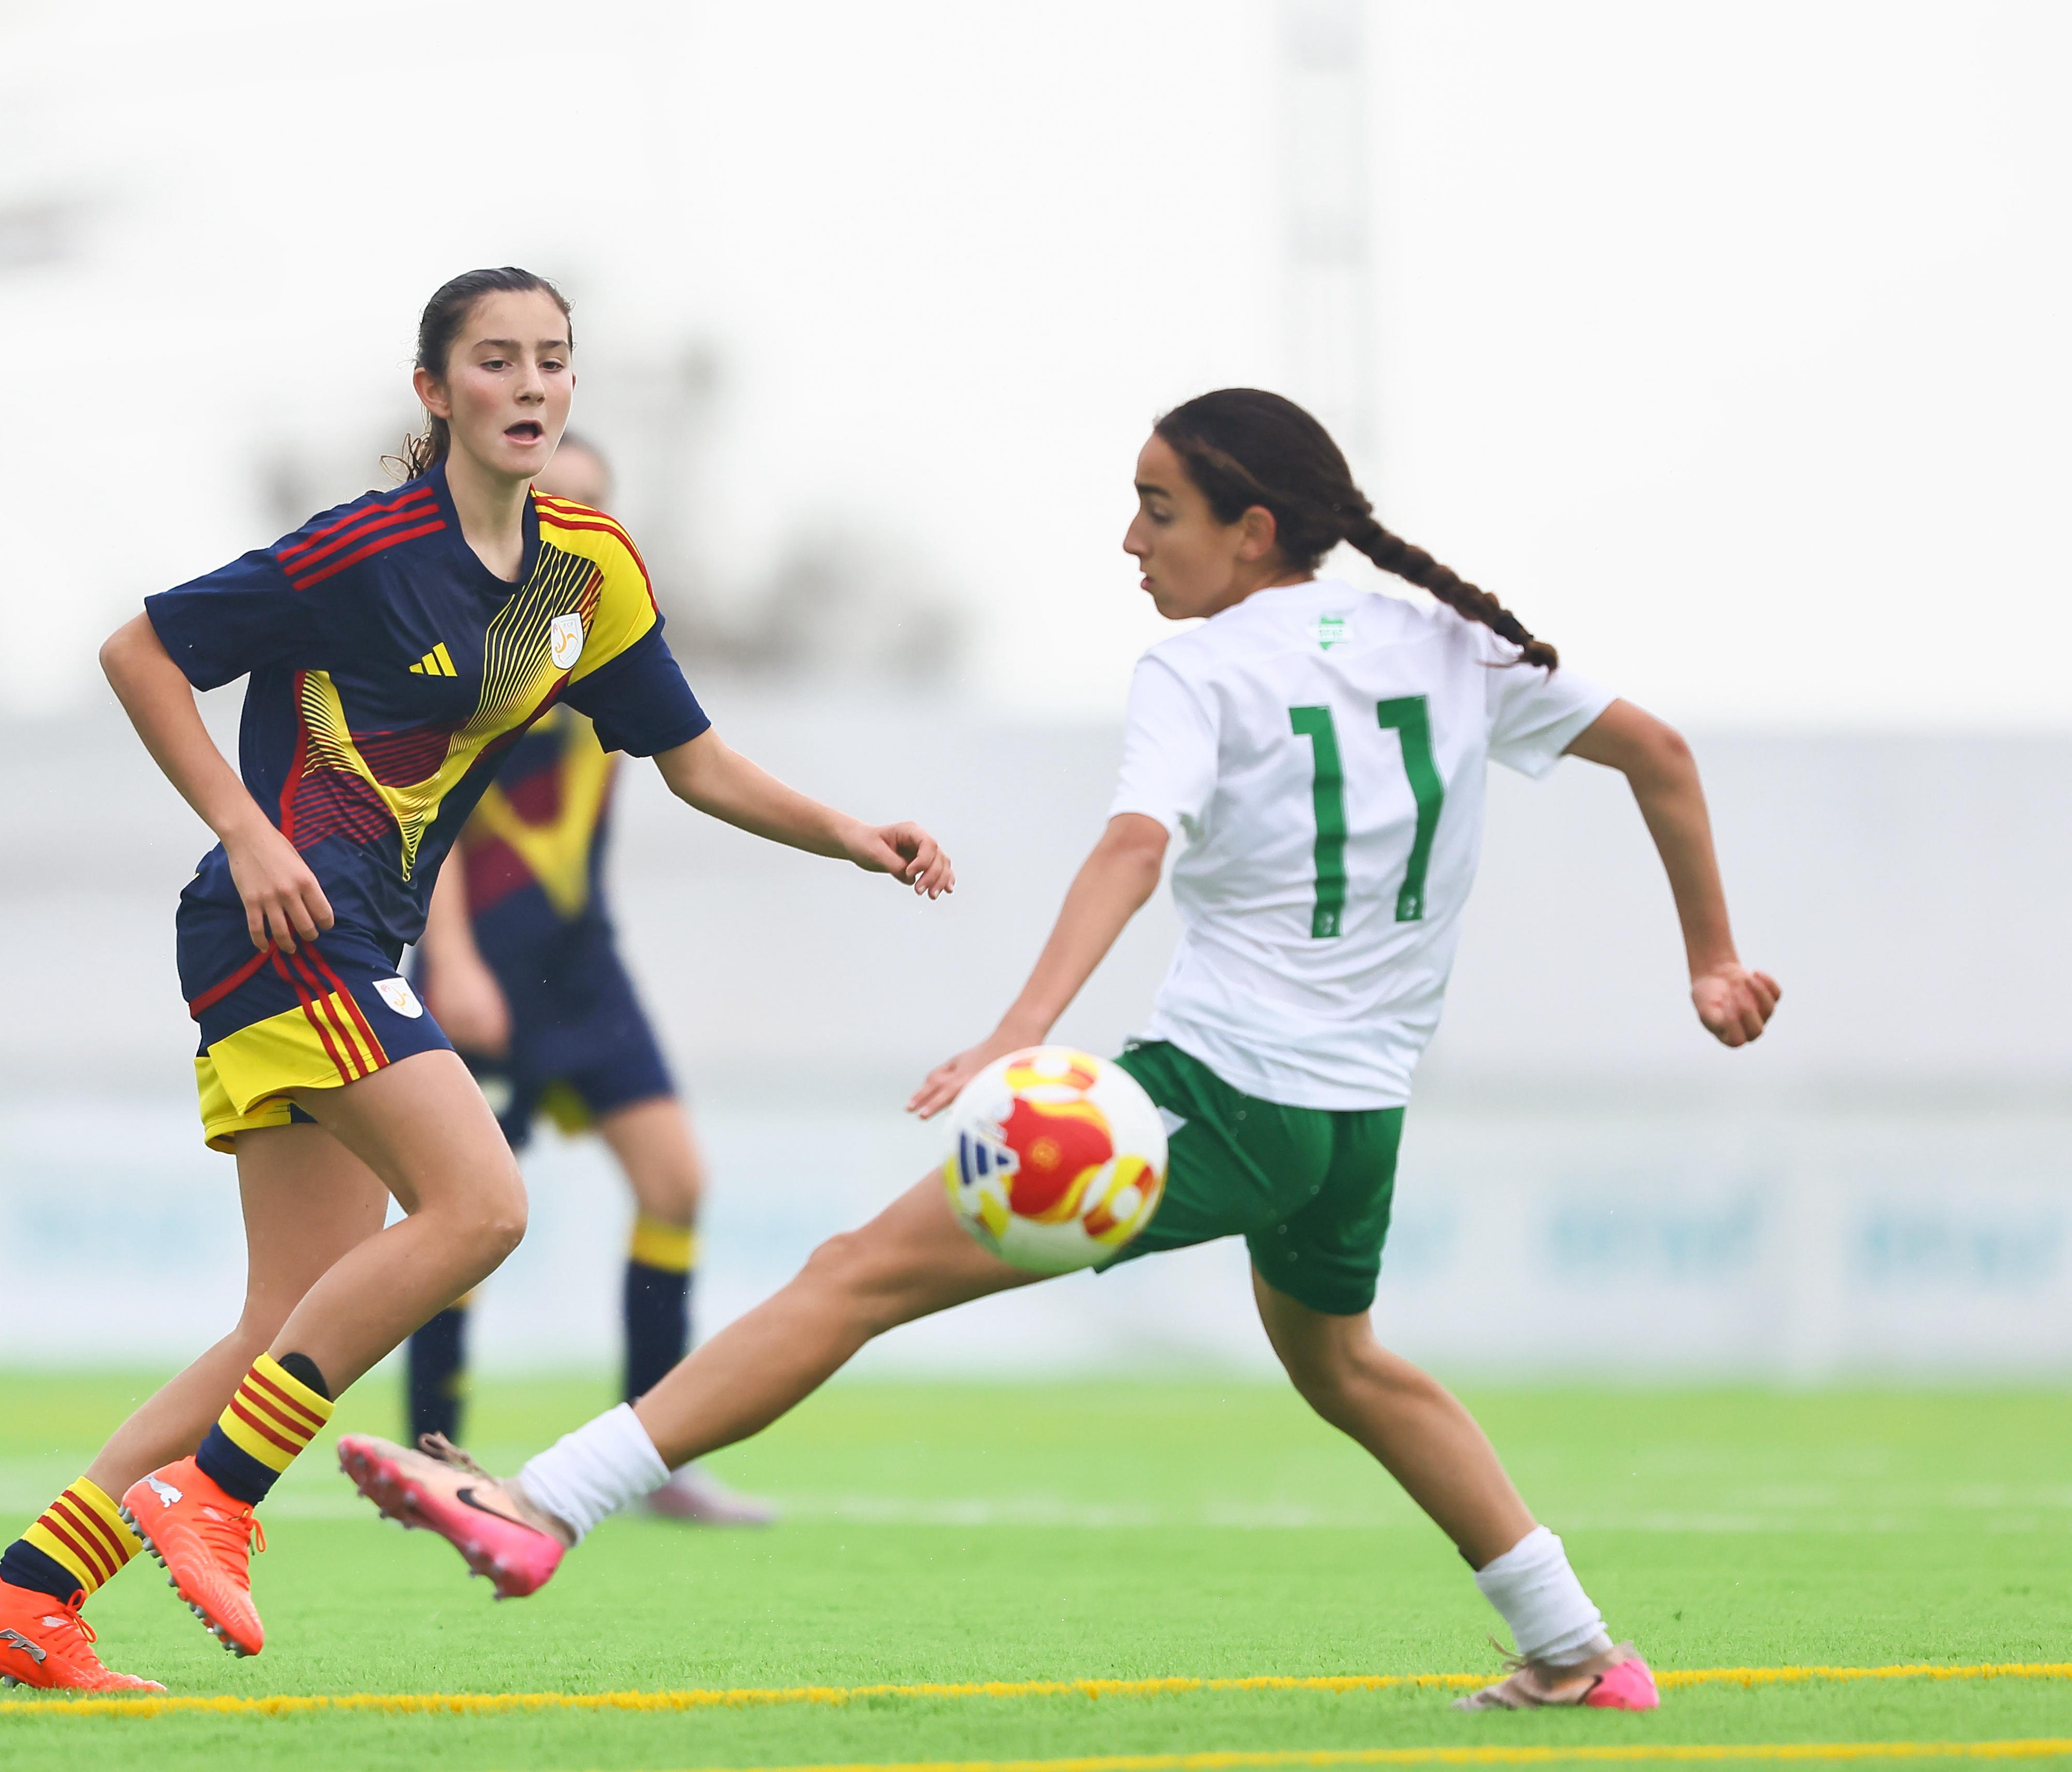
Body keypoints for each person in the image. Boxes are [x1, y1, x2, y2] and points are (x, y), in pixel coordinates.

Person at [335, 388, 1781, 1714]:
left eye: (1159, 508)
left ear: (1252, 530)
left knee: (852, 1274)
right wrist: (1710, 958)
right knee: (1344, 1362)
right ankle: (1576, 1647)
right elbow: (1660, 754)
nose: (1132, 540)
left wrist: (1019, 1034)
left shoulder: (1200, 667)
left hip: (1216, 1094)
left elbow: (1133, 847)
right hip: (1357, 1118)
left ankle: (547, 1503)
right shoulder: (1452, 643)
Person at [0, 267, 952, 1692]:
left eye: (553, 358)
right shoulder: (364, 548)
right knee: (482, 1205)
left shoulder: (588, 569)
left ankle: (28, 1593)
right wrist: (246, 830)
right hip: (288, 926)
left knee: (280, 1324)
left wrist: (849, 832)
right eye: (495, 359)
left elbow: (697, 760)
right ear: (434, 389)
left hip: (352, 939)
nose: (530, 384)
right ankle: (215, 1493)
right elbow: (139, 650)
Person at [407, 435, 774, 1527]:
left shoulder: (606, 636)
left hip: (584, 966)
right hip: (483, 964)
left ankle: (650, 1456)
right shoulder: (465, 642)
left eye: (594, 503)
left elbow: (703, 765)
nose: (571, 518)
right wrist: (453, 960)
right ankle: (433, 1458)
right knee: (464, 1223)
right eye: (552, 498)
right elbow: (425, 812)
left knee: (676, 1183)